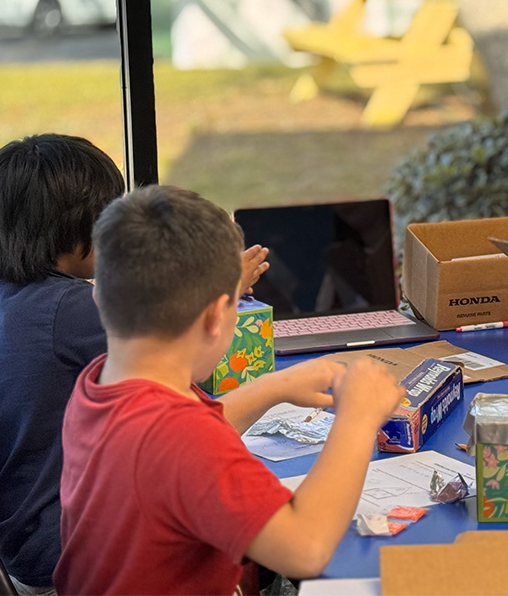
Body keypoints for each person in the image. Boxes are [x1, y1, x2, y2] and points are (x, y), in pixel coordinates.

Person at [53, 185, 405, 594]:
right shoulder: (182, 437)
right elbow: (304, 549)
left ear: (99, 296)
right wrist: (358, 419)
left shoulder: (100, 382)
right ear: (214, 319)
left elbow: (182, 442)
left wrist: (275, 386)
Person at [0, 135, 269, 593]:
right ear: (72, 227)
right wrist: (221, 289)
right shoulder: (71, 308)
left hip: (28, 530)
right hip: (66, 545)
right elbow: (190, 367)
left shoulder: (3, 298)